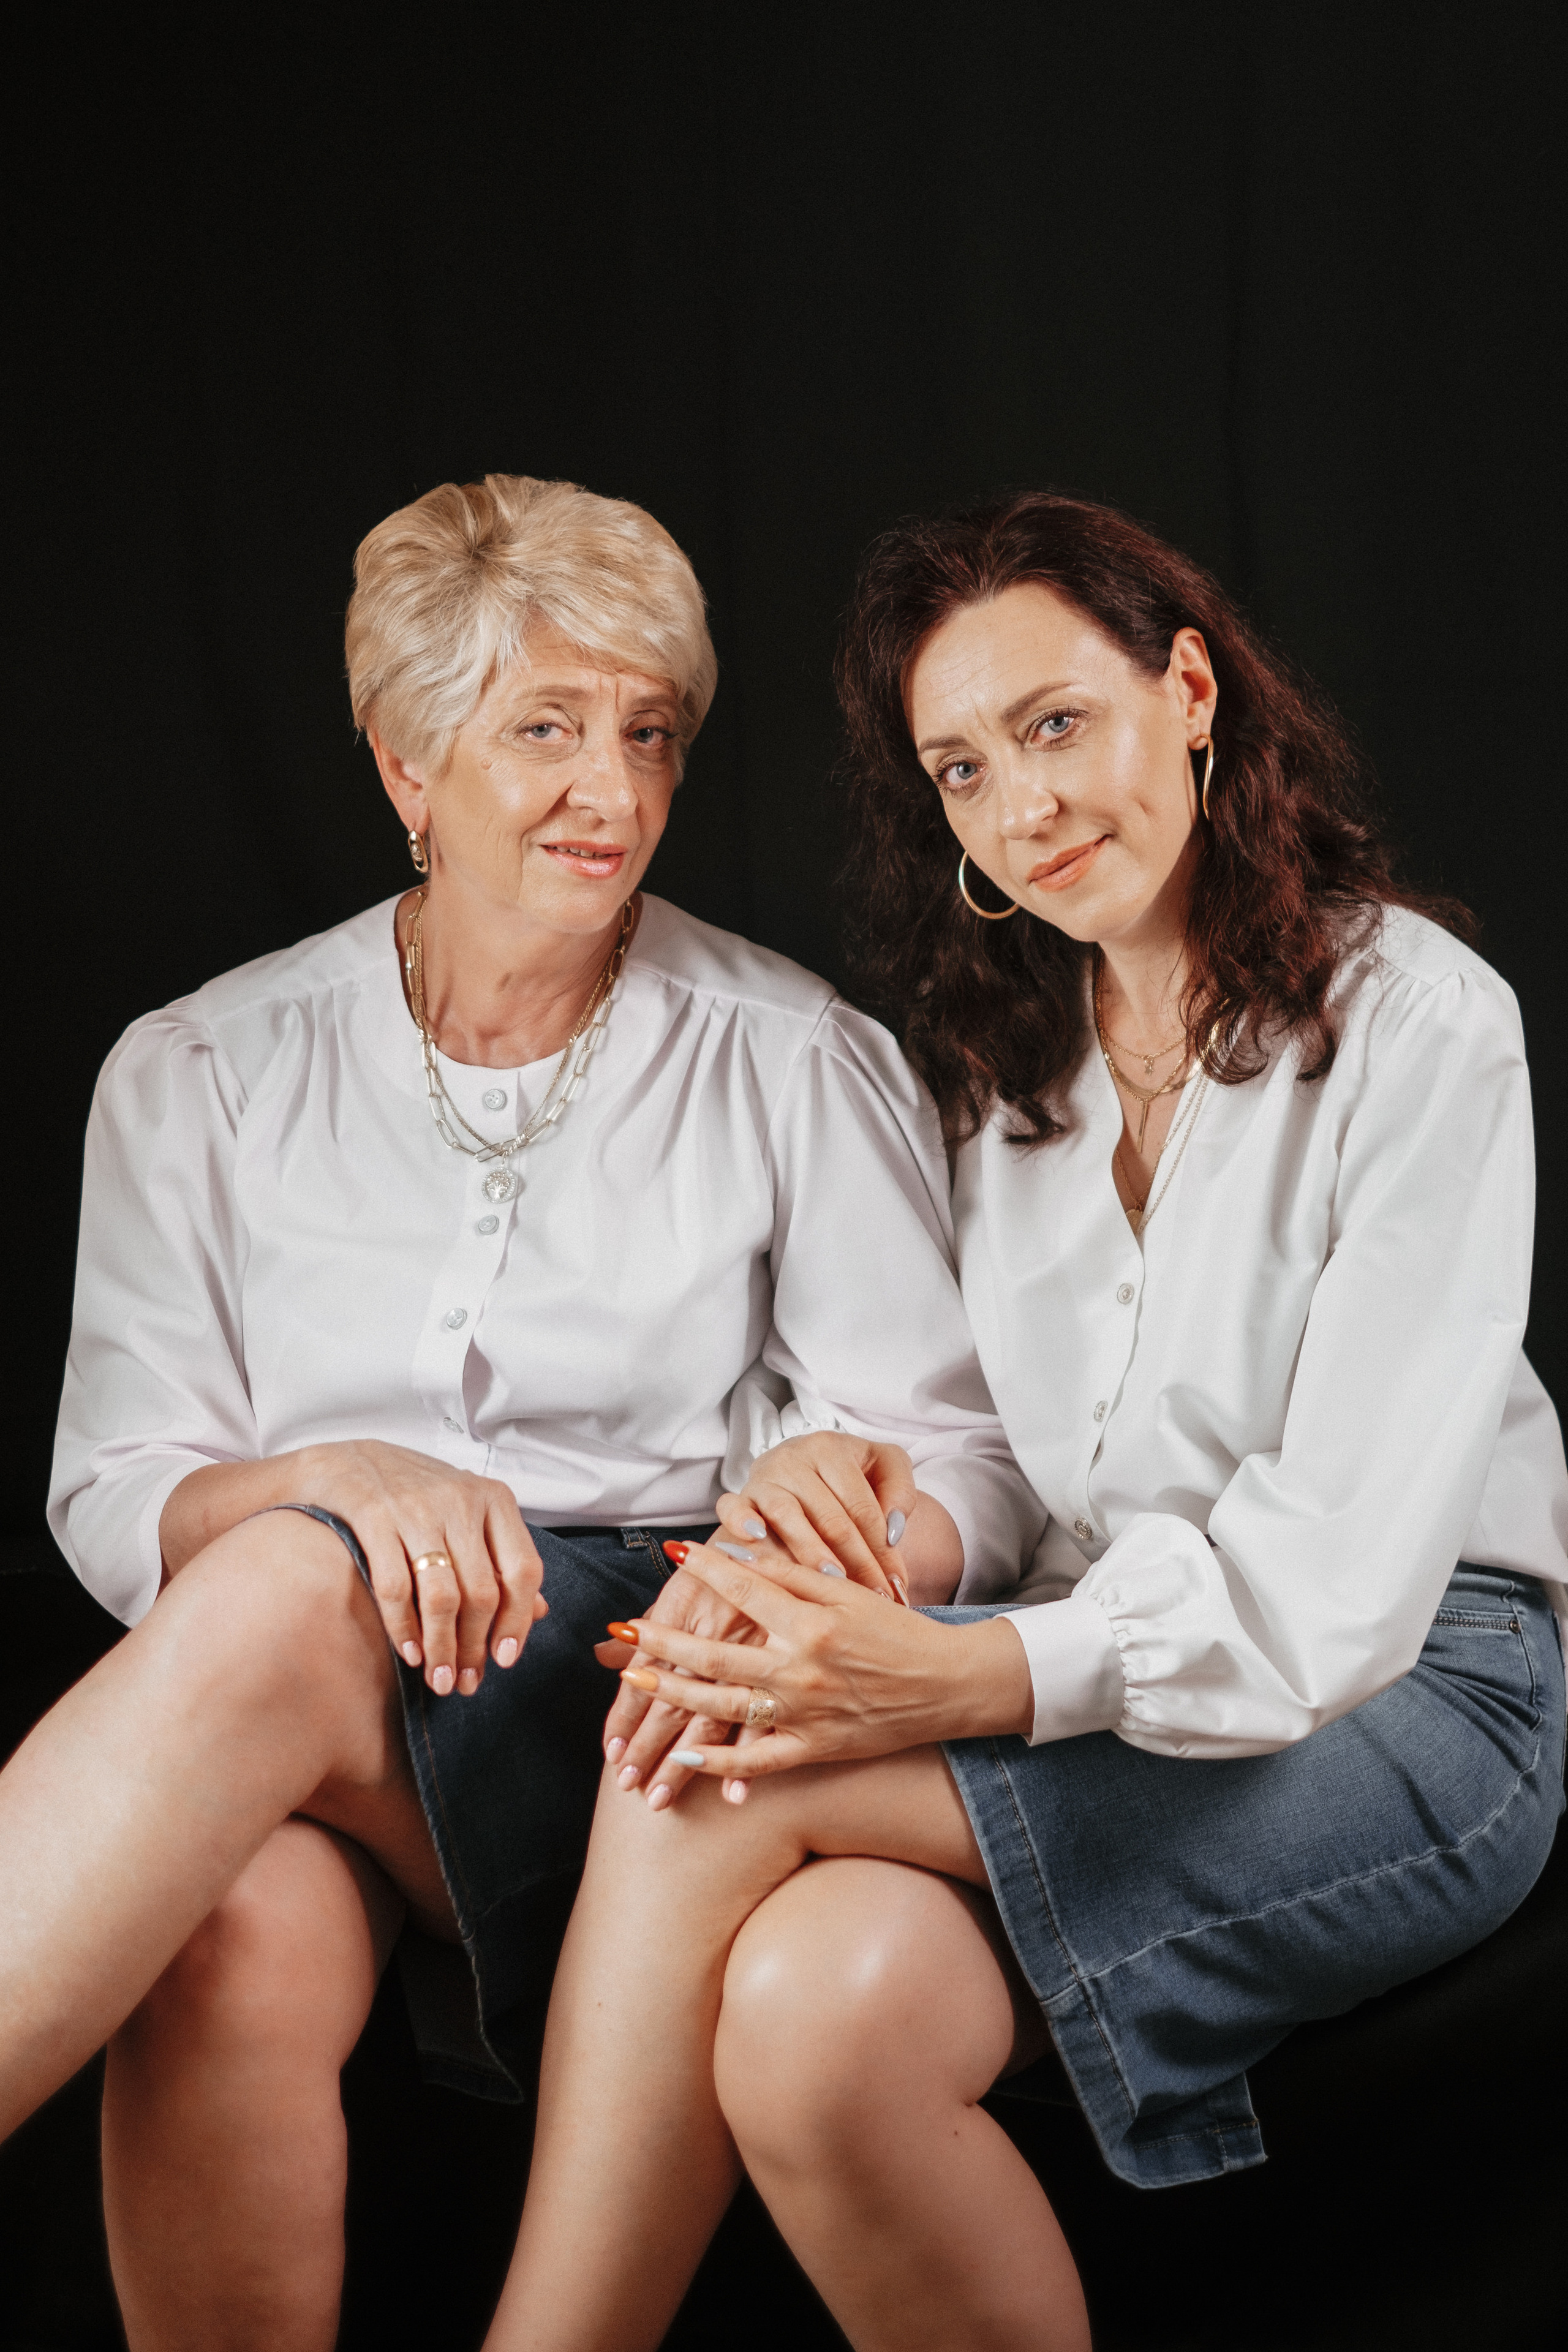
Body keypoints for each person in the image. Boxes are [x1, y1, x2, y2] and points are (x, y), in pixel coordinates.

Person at [483, 491, 1568, 2352]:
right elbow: (949, 1440)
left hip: (1415, 1686)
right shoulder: (1013, 1076)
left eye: (1056, 724)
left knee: (697, 1772)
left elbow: (1327, 1600)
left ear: (1194, 692)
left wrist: (950, 1681)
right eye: (964, 769)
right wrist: (816, 1473)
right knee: (820, 2019)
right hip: (1099, 1646)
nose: (1027, 807)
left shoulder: (1420, 1025)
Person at [0, 475, 1039, 2352]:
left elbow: (970, 1469)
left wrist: (827, 1524)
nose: (615, 793)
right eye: (544, 730)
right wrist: (326, 1483)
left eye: (648, 734)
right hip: (323, 1741)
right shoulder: (198, 1072)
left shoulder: (793, 1059)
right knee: (234, 1937)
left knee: (272, 1595)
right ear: (407, 767)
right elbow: (111, 1489)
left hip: (659, 1714)